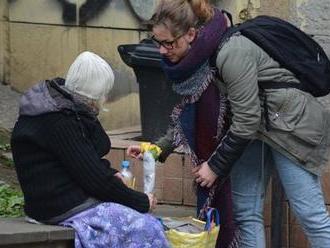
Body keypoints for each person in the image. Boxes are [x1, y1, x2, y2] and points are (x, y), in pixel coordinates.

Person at [127, 0, 330, 247]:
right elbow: (192, 111)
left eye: (168, 43)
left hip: (290, 126)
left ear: (191, 34)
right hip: (255, 129)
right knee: (245, 212)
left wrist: (214, 166)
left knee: (310, 215)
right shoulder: (202, 58)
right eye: (157, 42)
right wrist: (158, 148)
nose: (162, 50)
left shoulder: (230, 52)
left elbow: (246, 119)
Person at [10, 51, 169, 248]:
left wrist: (113, 176)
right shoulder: (61, 121)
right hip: (60, 207)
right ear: (96, 96)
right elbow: (96, 181)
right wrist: (141, 201)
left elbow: (85, 165)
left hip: (51, 203)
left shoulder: (61, 108)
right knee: (146, 227)